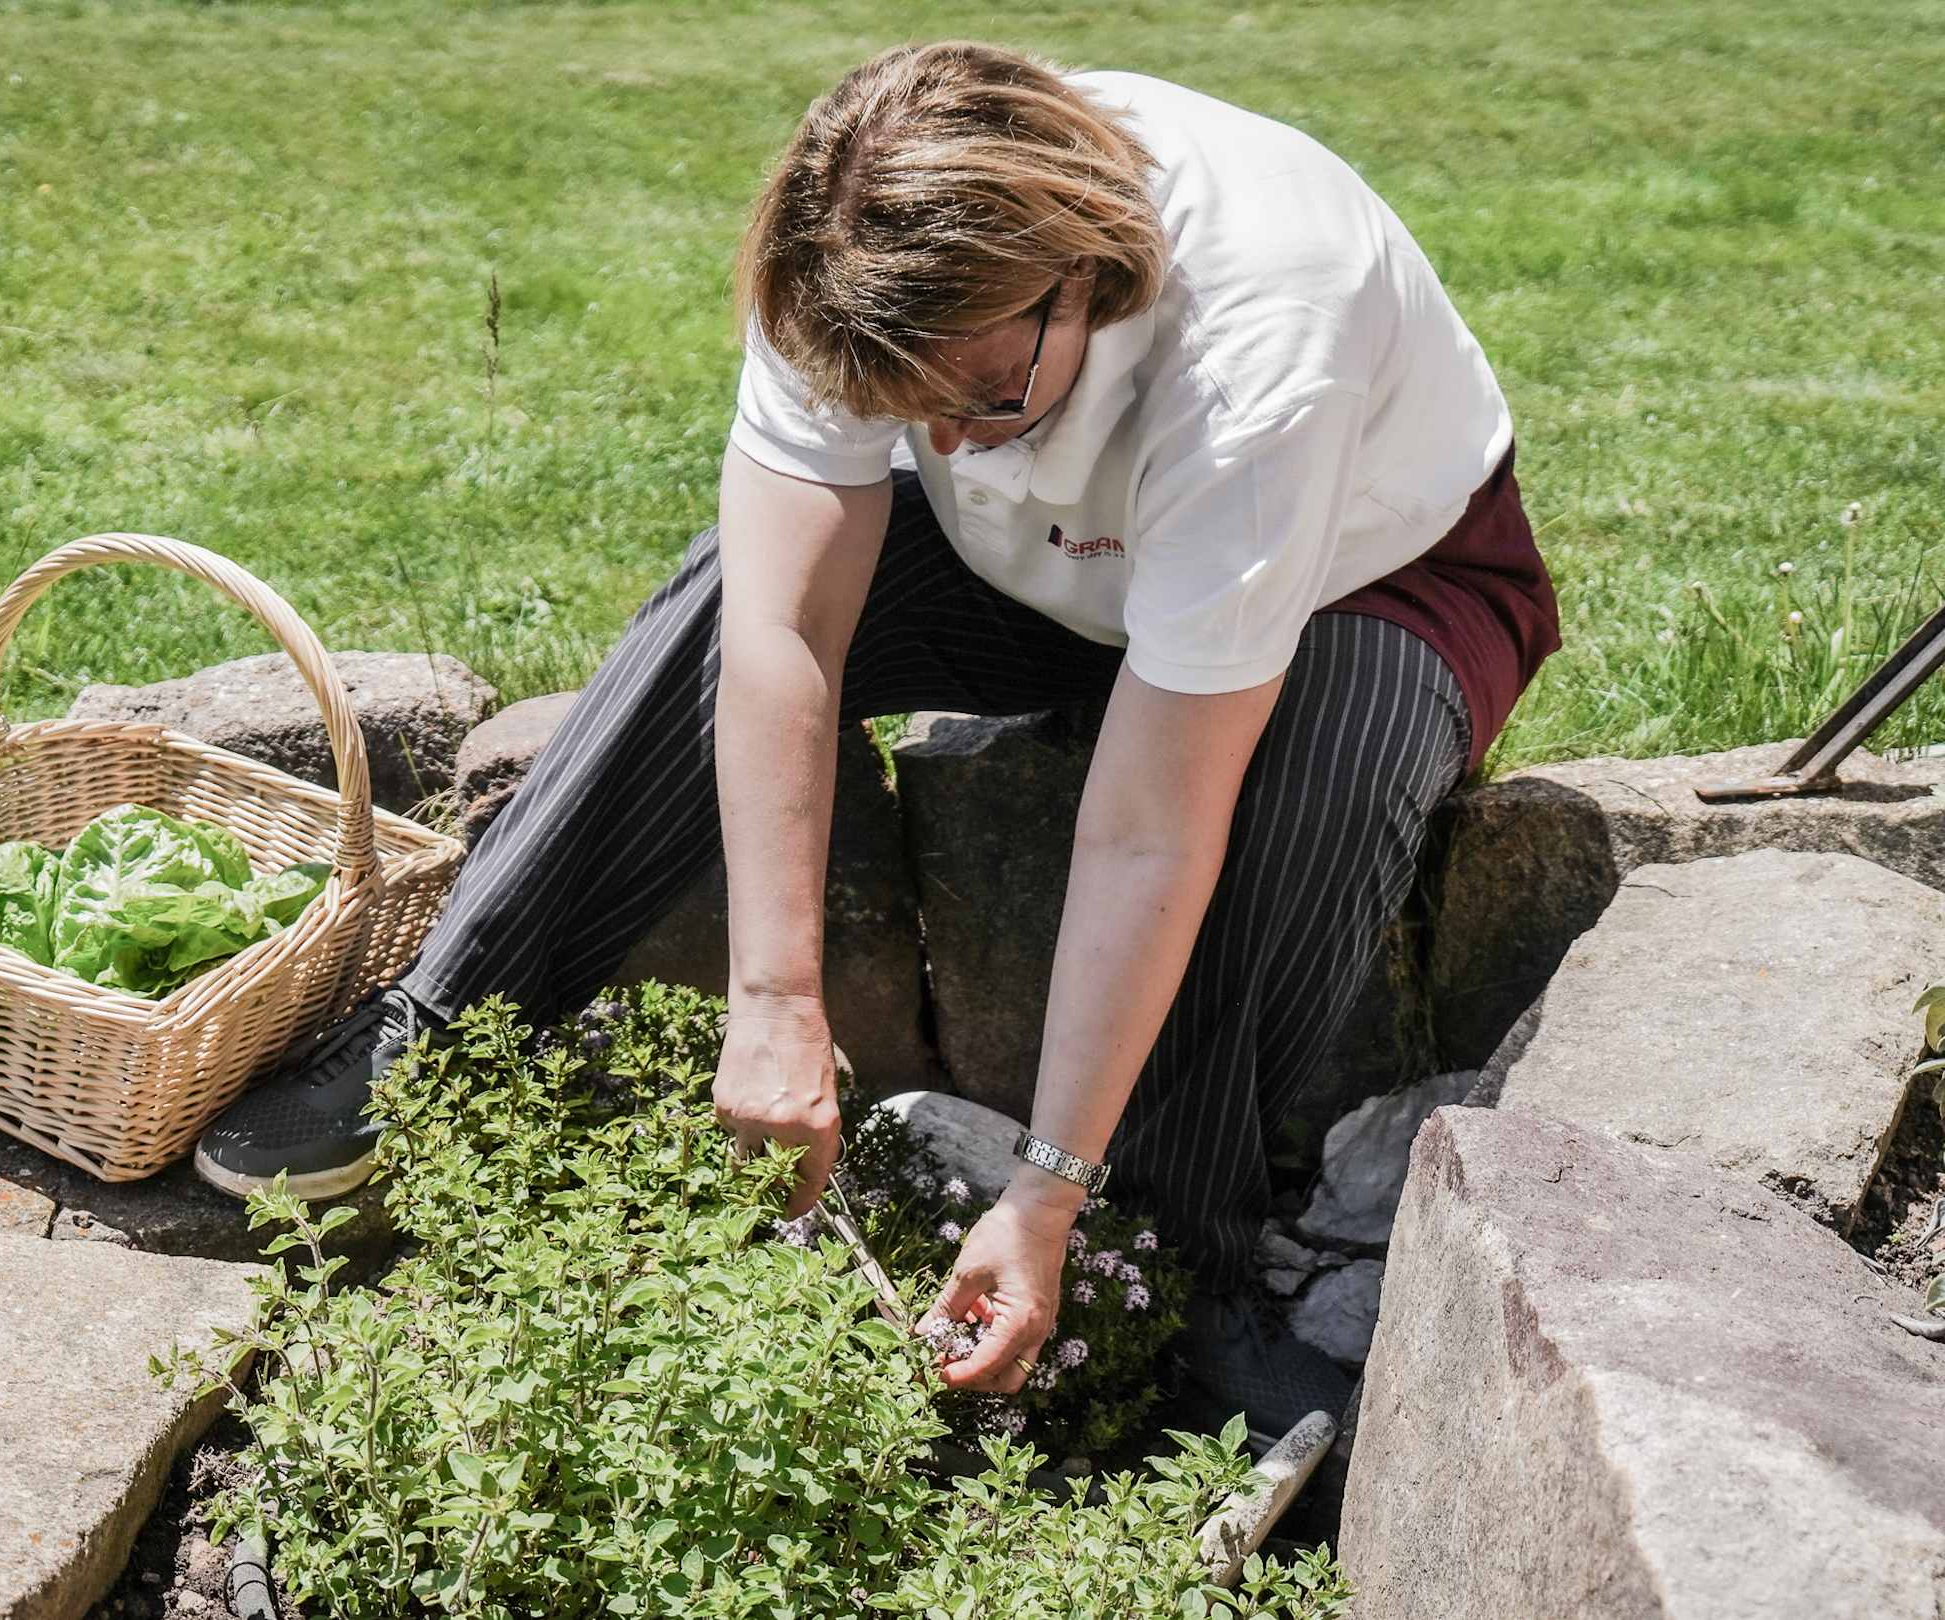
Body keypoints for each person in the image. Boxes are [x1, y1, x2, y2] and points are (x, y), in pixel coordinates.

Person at [195, 40, 1559, 1439]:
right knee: (726, 594)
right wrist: (775, 1003)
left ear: (1084, 276)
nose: (946, 448)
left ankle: (1160, 1261)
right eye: (902, 412)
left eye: (983, 397)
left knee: (1316, 783)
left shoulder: (1258, 344)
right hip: (1047, 572)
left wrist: (1044, 1185)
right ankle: (442, 1026)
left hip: (1355, 583)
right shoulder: (851, 255)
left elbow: (1152, 825)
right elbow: (783, 632)